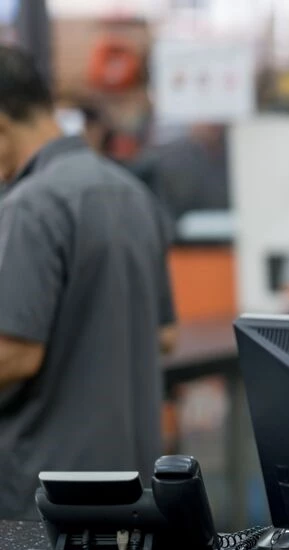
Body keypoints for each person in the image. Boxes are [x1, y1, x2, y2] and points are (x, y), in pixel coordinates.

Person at [0, 46, 177, 520]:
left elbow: (14, 354)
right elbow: (166, 334)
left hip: (47, 500)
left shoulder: (31, 205)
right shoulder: (131, 192)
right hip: (135, 491)